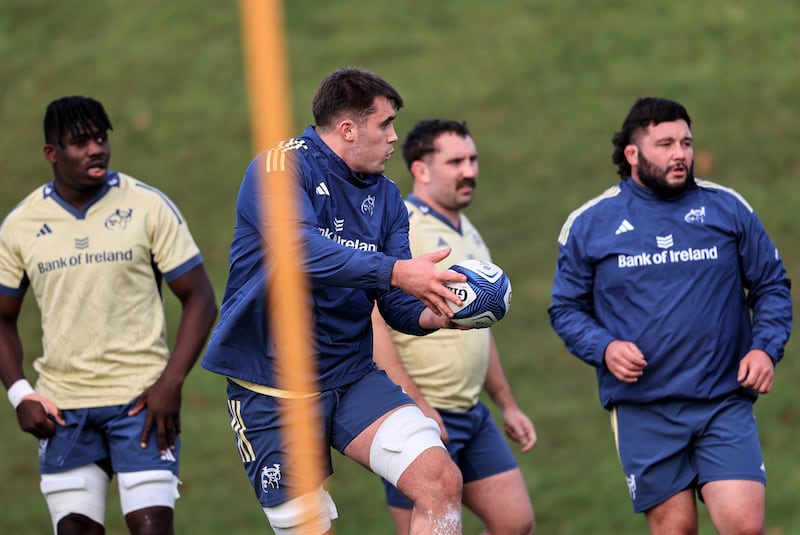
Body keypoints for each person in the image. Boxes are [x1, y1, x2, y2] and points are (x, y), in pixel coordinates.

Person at [201, 68, 468, 535]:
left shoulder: (386, 198)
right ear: (348, 129)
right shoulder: (280, 167)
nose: (394, 138)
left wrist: (436, 311)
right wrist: (398, 272)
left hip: (350, 379)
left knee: (441, 483)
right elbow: (300, 251)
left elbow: (396, 305)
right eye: (384, 125)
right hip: (272, 390)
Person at [548, 97, 792, 534]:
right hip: (645, 406)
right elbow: (566, 309)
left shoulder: (728, 209)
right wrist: (605, 348)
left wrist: (764, 349)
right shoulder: (589, 223)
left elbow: (772, 285)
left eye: (686, 142)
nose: (680, 153)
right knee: (675, 528)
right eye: (665, 143)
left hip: (723, 398)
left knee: (745, 526)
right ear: (633, 154)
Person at [0, 96, 218, 534]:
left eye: (101, 139)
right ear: (51, 154)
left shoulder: (147, 206)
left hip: (142, 402)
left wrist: (171, 381)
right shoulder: (21, 225)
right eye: (79, 142)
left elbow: (200, 298)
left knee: (152, 528)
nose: (95, 149)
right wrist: (20, 393)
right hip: (62, 408)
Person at [371, 119, 536, 534]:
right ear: (421, 170)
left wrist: (508, 403)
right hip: (417, 414)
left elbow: (481, 327)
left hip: (471, 412)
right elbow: (374, 322)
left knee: (516, 524)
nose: (470, 171)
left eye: (473, 160)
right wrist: (414, 403)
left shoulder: (472, 237)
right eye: (456, 161)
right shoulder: (401, 225)